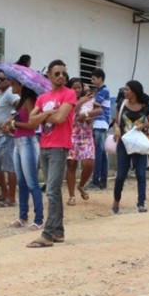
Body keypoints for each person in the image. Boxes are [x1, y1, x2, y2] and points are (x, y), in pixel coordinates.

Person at [26, 60, 76, 248]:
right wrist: (49, 114)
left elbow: (60, 118)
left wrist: (44, 115)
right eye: (57, 74)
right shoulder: (42, 97)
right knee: (53, 190)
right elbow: (31, 121)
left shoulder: (69, 93)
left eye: (64, 73)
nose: (61, 76)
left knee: (52, 190)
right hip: (45, 145)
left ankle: (47, 234)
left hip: (59, 146)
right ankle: (58, 232)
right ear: (49, 75)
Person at [110, 80, 149, 214]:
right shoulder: (121, 104)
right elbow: (116, 122)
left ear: (134, 91)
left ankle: (141, 203)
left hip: (138, 143)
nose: (125, 92)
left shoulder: (145, 106)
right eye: (124, 89)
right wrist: (117, 129)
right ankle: (116, 201)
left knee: (141, 174)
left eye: (127, 89)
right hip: (124, 143)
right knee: (121, 175)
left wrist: (143, 126)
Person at [6, 80, 44, 230]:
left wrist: (14, 124)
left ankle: (39, 219)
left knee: (31, 182)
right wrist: (10, 126)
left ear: (21, 85)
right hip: (19, 142)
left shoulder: (29, 101)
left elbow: (33, 125)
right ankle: (23, 216)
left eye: (13, 84)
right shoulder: (22, 102)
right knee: (21, 181)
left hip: (27, 142)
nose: (11, 86)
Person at [0, 70, 20, 207]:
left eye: (2, 79)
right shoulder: (3, 94)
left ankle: (11, 198)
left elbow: (20, 105)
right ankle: (5, 192)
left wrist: (11, 119)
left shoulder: (11, 93)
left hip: (6, 135)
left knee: (9, 167)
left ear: (9, 80)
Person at [65, 78, 98, 206]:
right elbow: (69, 113)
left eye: (79, 87)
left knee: (89, 163)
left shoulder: (89, 99)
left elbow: (99, 110)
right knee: (71, 165)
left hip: (86, 136)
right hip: (71, 135)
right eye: (74, 87)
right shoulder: (67, 100)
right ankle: (71, 195)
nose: (77, 90)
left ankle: (81, 185)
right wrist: (80, 102)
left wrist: (88, 115)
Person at [87, 68, 110, 190]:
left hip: (100, 123)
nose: (92, 80)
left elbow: (95, 104)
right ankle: (102, 181)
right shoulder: (100, 91)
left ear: (100, 78)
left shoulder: (103, 91)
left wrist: (88, 98)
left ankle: (96, 181)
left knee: (99, 153)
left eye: (94, 78)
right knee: (102, 153)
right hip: (100, 123)